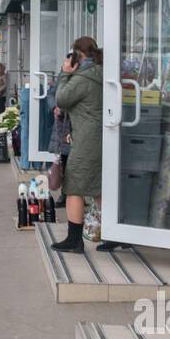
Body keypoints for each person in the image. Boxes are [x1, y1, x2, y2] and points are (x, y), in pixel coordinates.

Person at [50, 37, 104, 252]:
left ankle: (74, 239)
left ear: (78, 56)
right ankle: (115, 233)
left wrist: (65, 73)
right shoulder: (101, 72)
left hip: (87, 139)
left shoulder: (82, 78)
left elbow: (62, 98)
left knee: (74, 186)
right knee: (100, 187)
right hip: (101, 135)